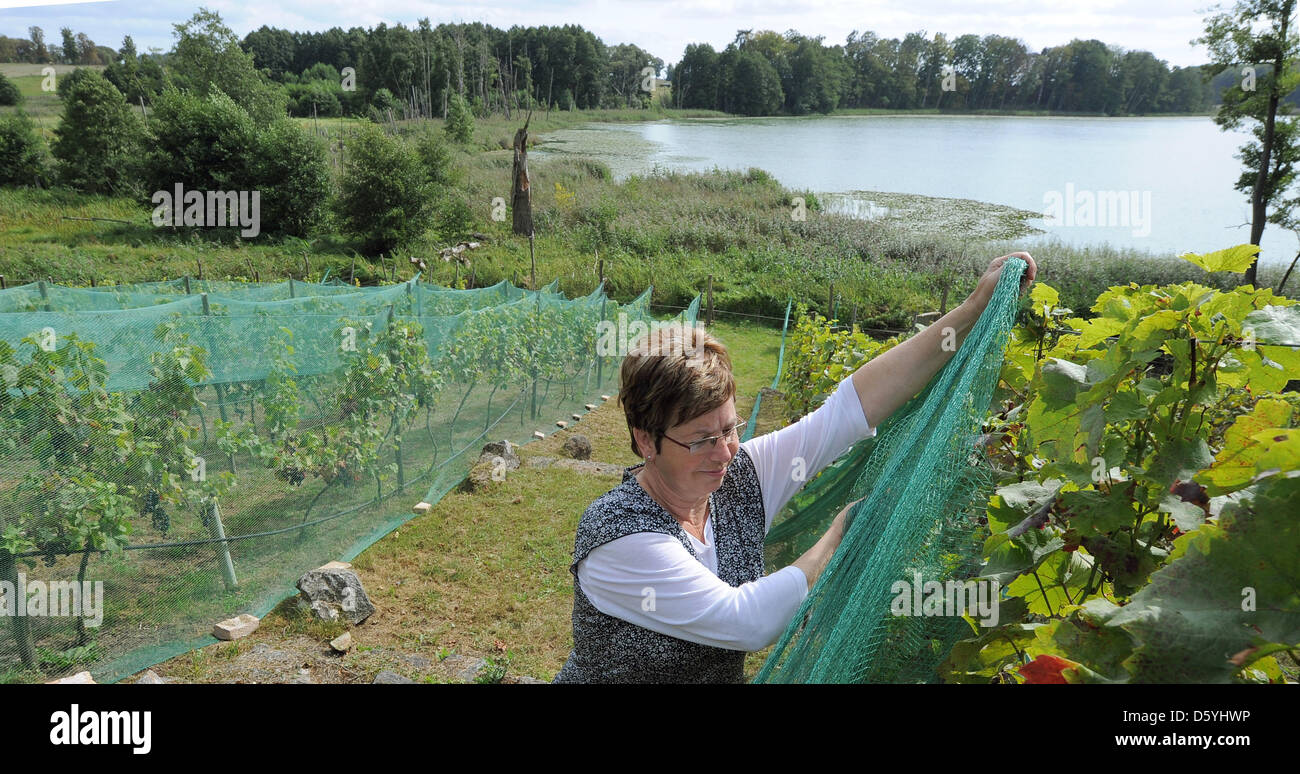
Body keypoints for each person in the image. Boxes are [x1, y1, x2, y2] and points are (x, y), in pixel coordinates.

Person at [552, 252, 1037, 683]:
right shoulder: (620, 538)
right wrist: (835, 538)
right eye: (701, 440)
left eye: (729, 428)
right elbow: (746, 623)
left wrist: (973, 310)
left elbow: (848, 411)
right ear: (645, 441)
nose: (724, 453)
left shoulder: (738, 477)